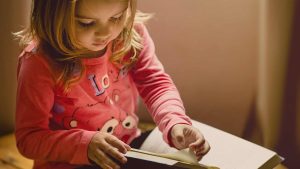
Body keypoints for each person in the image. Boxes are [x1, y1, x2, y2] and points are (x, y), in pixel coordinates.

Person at [14, 0, 210, 169]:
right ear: (51, 15)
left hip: (128, 148)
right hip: (69, 163)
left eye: (116, 17)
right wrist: (85, 145)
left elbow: (155, 83)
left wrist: (174, 121)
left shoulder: (130, 35)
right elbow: (29, 139)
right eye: (86, 23)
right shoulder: (38, 63)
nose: (106, 33)